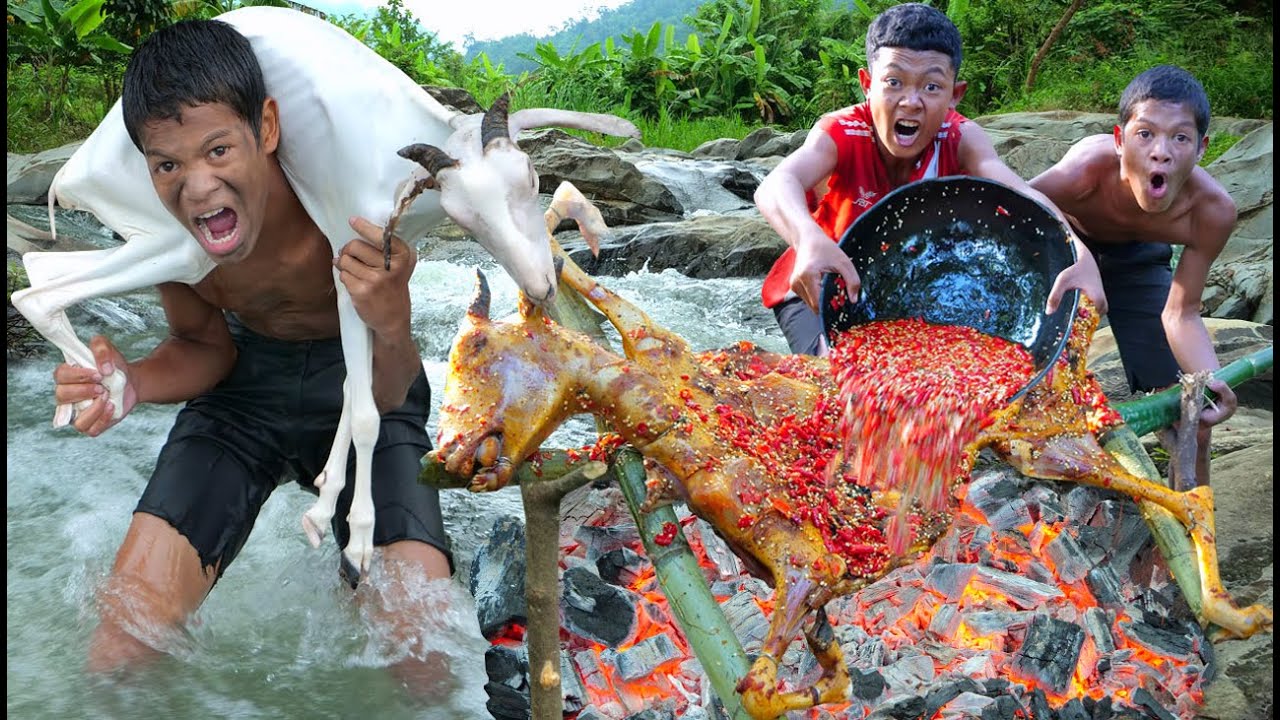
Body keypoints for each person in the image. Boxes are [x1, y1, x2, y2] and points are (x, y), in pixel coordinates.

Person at [50, 19, 455, 685]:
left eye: (217, 151)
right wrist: (130, 382)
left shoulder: (349, 217)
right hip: (243, 398)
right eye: (168, 165)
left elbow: (392, 396)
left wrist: (390, 318)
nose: (198, 189)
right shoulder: (173, 235)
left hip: (365, 393)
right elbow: (199, 345)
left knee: (423, 660)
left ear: (265, 129)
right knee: (119, 652)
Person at [755, 2, 1107, 357]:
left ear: (955, 95)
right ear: (867, 84)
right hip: (817, 279)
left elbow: (1020, 193)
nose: (911, 101)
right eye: (893, 82)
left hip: (903, 284)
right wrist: (807, 238)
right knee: (839, 370)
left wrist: (1080, 252)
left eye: (932, 87)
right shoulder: (843, 131)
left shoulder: (960, 138)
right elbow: (776, 184)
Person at [1030, 64, 1238, 485]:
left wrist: (1209, 381)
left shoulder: (1212, 210)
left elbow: (1182, 312)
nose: (1160, 151)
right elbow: (1018, 203)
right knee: (1031, 407)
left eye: (1180, 137)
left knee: (1190, 416)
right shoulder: (1086, 170)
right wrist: (1079, 254)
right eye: (1145, 134)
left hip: (1138, 263)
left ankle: (1193, 522)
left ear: (1201, 149)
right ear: (1119, 140)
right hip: (1063, 254)